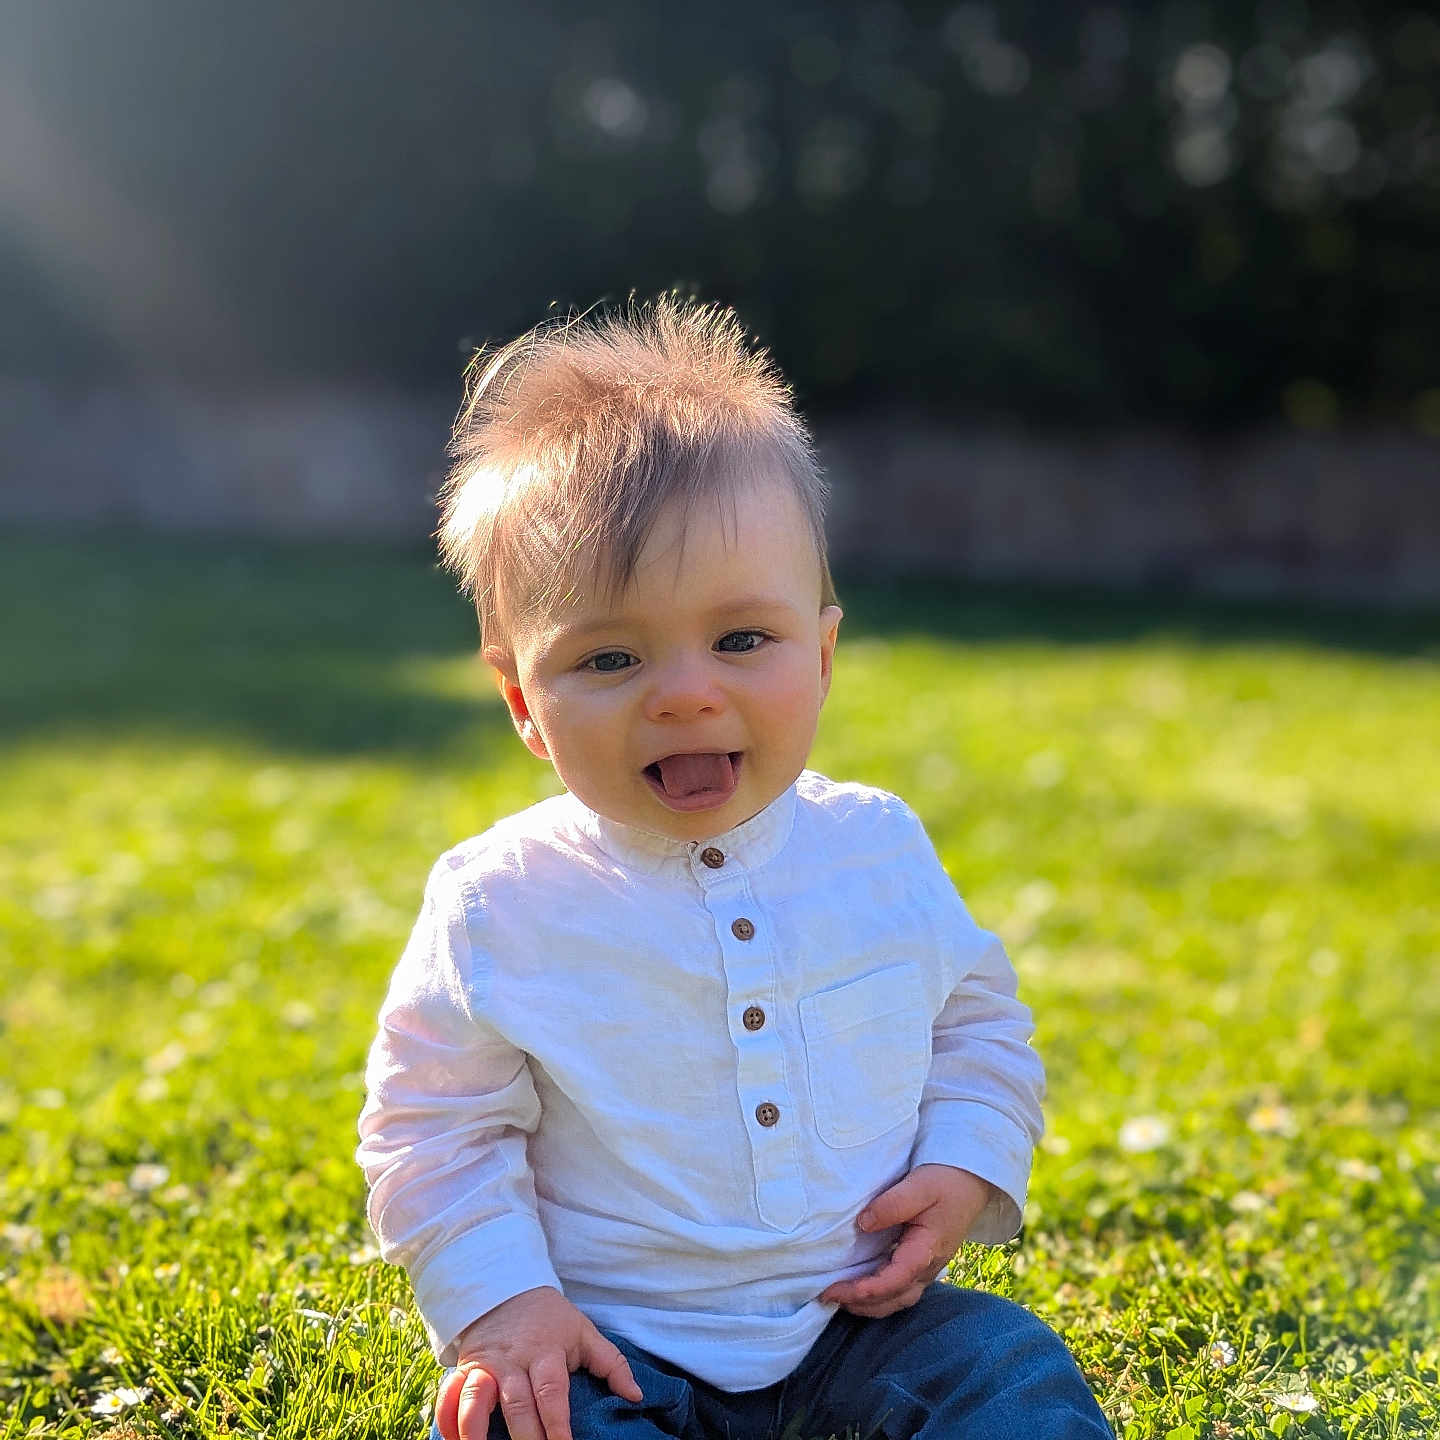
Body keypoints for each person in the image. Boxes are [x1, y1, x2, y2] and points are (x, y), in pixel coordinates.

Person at [356, 297, 1112, 1440]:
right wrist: (508, 1307)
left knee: (1008, 1369)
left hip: (859, 1327)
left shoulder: (876, 849)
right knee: (518, 1424)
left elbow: (974, 1025)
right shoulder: (500, 905)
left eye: (742, 640)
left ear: (822, 650)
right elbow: (432, 1128)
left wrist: (963, 1164)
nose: (685, 693)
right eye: (610, 657)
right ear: (524, 703)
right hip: (614, 1344)